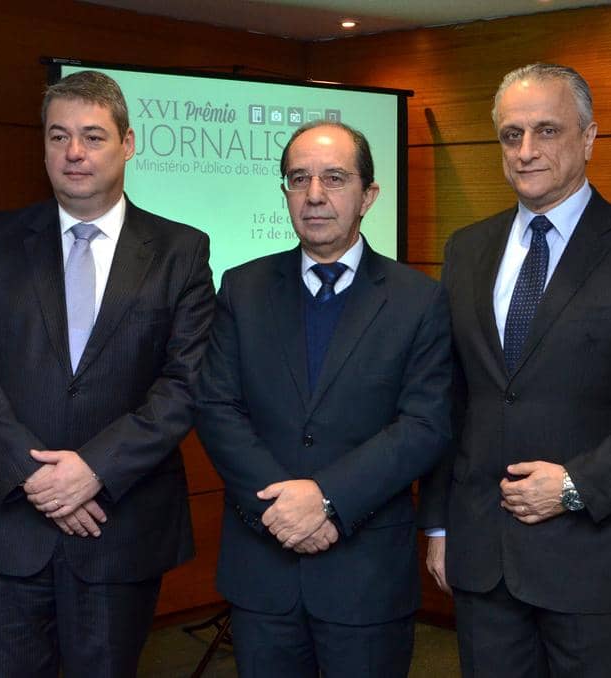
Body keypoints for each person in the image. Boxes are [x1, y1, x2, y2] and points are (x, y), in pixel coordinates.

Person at [419, 63, 611, 677]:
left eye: (546, 131)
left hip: (594, 561)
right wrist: (441, 525)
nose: (526, 152)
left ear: (589, 137)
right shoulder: (467, 249)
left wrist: (577, 483)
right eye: (511, 134)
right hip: (483, 558)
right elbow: (453, 399)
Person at [0, 69, 215, 677]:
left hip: (120, 527)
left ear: (129, 143)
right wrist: (34, 477)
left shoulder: (181, 250)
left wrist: (94, 470)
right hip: (6, 522)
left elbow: (185, 381)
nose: (74, 152)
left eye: (92, 135)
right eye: (58, 136)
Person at [195, 121, 452, 677]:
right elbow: (216, 407)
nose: (314, 195)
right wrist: (278, 511)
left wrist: (328, 499)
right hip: (264, 570)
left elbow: (425, 424)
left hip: (366, 576)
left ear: (369, 195)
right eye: (298, 179)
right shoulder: (242, 288)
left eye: (334, 178)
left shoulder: (419, 300)